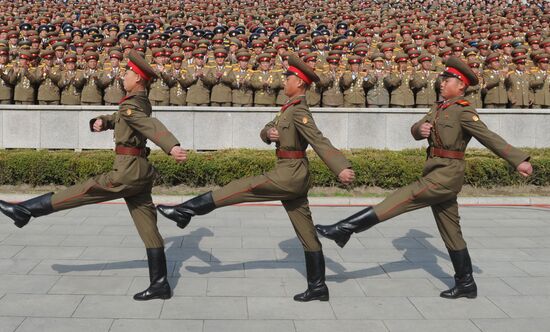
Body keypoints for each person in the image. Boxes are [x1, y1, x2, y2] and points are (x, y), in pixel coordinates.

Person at [316, 57, 533, 299]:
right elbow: (416, 127)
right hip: (434, 170)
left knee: (403, 196)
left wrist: (518, 160)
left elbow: (489, 137)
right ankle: (466, 283)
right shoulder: (439, 108)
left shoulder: (463, 111)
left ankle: (345, 228)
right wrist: (419, 130)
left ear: (461, 85)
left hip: (447, 174)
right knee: (451, 230)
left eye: (448, 80)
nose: (442, 84)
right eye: (442, 79)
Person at [157, 54, 355, 302]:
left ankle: (187, 210)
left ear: (300, 83)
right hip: (291, 171)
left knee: (241, 187)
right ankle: (318, 287)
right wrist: (269, 133)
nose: (285, 82)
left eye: (289, 78)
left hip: (288, 173)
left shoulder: (300, 110)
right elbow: (266, 128)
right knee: (306, 231)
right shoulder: (288, 108)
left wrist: (340, 167)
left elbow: (319, 140)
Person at [0, 50, 188, 301]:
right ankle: (160, 284)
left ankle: (27, 210)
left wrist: (171, 145)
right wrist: (102, 121)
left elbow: (149, 126)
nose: (124, 75)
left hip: (127, 171)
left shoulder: (133, 104)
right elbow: (123, 118)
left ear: (139, 79)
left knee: (86, 189)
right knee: (148, 226)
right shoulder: (136, 101)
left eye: (129, 72)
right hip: (140, 171)